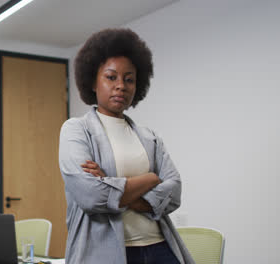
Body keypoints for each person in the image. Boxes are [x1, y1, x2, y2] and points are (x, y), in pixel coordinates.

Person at [59, 28, 194, 264]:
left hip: (160, 248)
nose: (121, 85)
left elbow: (174, 193)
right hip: (106, 253)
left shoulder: (149, 137)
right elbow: (90, 195)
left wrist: (108, 180)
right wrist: (150, 179)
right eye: (111, 77)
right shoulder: (76, 130)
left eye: (129, 79)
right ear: (92, 81)